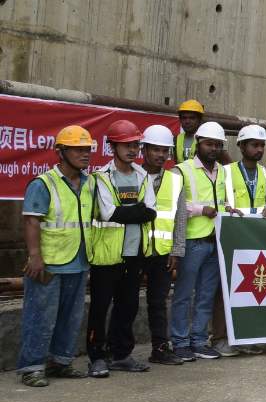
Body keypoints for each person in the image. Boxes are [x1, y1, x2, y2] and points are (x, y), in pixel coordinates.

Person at [17, 126, 100, 387]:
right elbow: (32, 221)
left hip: (78, 260)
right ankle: (32, 367)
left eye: (87, 149)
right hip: (49, 263)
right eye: (78, 149)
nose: (85, 154)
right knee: (40, 317)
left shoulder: (89, 183)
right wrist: (34, 256)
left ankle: (60, 362)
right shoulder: (43, 184)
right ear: (60, 153)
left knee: (70, 317)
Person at [83, 120, 157, 378]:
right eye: (126, 145)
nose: (132, 149)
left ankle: (121, 355)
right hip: (107, 253)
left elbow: (151, 211)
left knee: (128, 306)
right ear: (112, 146)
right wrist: (136, 212)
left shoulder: (142, 175)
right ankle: (96, 357)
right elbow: (108, 212)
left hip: (135, 252)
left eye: (135, 144)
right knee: (100, 306)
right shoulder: (101, 177)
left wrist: (129, 213)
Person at [170, 120, 228, 361]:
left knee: (205, 294)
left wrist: (228, 209)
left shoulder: (223, 171)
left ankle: (198, 340)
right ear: (198, 144)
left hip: (215, 242)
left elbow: (223, 201)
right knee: (184, 294)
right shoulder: (181, 171)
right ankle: (181, 342)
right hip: (192, 241)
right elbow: (172, 203)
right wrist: (200, 209)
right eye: (208, 144)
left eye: (217, 144)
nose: (213, 148)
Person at [136, 126, 185, 364]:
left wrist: (176, 250)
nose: (160, 154)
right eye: (155, 149)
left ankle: (160, 349)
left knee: (158, 302)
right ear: (143, 149)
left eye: (164, 150)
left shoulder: (175, 180)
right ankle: (118, 350)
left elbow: (180, 218)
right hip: (134, 251)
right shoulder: (131, 176)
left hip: (162, 253)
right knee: (126, 301)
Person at [174, 99, 205, 164]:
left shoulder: (207, 140)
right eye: (184, 118)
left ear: (200, 120)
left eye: (192, 118)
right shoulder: (175, 140)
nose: (187, 121)